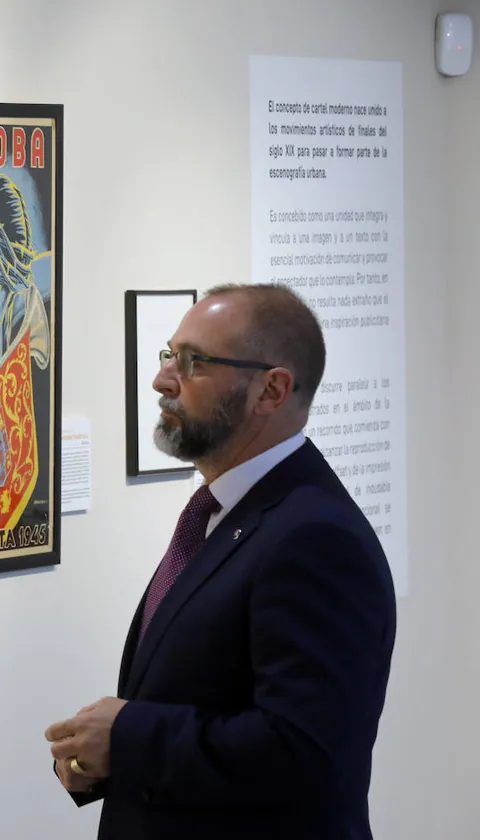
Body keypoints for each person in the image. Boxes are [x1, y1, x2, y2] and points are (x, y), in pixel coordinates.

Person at [44, 283, 397, 838]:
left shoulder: (315, 537)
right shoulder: (225, 512)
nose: (163, 380)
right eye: (169, 355)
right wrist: (106, 759)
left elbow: (304, 751)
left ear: (271, 391)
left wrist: (129, 737)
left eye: (194, 363)